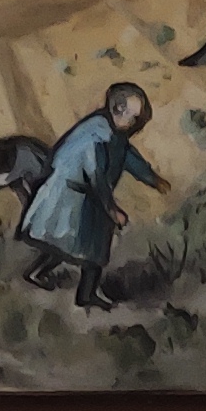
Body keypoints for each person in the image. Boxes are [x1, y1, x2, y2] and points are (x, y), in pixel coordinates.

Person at [18, 82, 164, 308]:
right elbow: (96, 175)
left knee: (84, 248)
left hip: (87, 197)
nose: (138, 123)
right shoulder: (95, 135)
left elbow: (127, 156)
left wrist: (152, 178)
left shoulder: (115, 133)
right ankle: (49, 278)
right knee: (69, 243)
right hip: (69, 196)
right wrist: (112, 210)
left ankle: (83, 293)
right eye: (135, 117)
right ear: (118, 110)